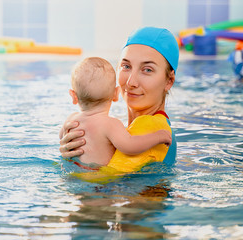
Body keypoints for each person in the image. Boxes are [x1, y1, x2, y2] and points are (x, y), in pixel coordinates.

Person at [59, 26, 179, 169]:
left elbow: (108, 184)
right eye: (126, 66)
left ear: (169, 81)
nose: (131, 82)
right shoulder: (118, 129)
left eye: (147, 70)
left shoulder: (152, 128)